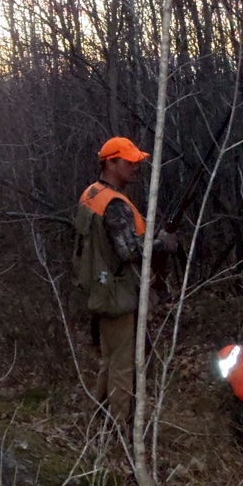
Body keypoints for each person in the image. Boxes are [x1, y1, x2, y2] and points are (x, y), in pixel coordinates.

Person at [72, 136, 178, 425]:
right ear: (110, 163)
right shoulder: (115, 204)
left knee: (110, 359)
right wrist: (161, 242)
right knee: (122, 365)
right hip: (117, 294)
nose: (135, 167)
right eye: (128, 162)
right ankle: (120, 430)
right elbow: (130, 250)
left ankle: (100, 422)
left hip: (99, 287)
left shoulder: (92, 194)